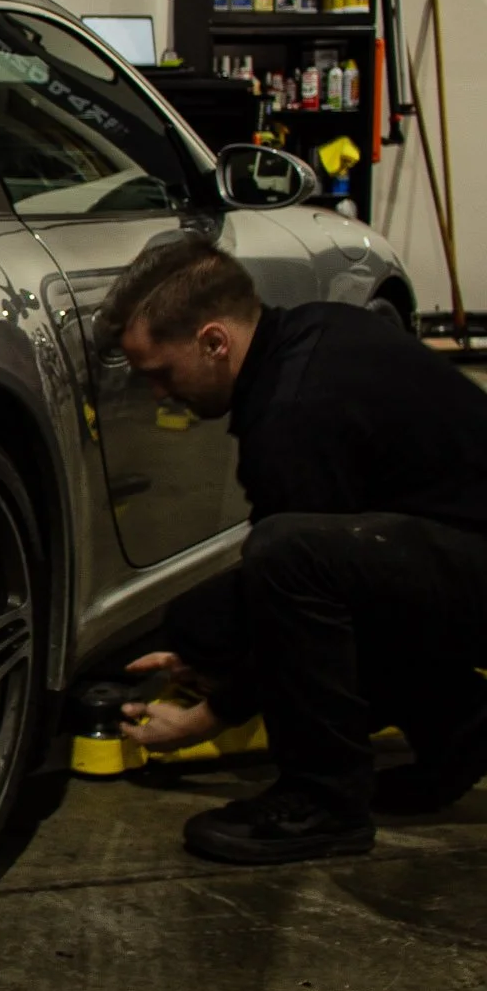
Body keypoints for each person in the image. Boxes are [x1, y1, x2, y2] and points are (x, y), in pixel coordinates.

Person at [102, 233, 487, 864]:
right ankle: (462, 726)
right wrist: (206, 640)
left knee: (286, 560)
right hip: (458, 550)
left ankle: (323, 801)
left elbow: (298, 580)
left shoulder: (292, 414)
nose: (159, 395)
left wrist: (208, 717)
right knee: (213, 613)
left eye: (161, 374)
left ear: (213, 342)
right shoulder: (315, 333)